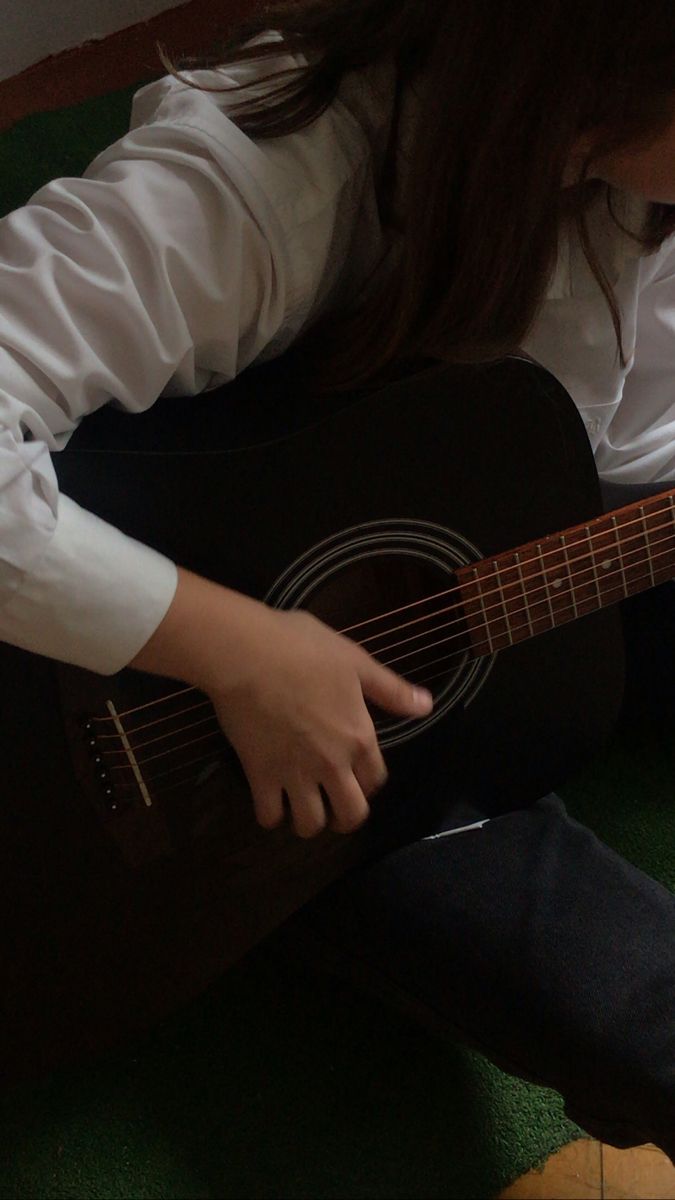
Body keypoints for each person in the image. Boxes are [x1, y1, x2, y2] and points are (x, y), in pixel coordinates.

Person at [1, 0, 675, 1159]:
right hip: (212, 765)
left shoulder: (637, 184)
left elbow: (627, 439)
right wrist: (234, 650)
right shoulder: (286, 171)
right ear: (596, 77)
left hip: (526, 574)